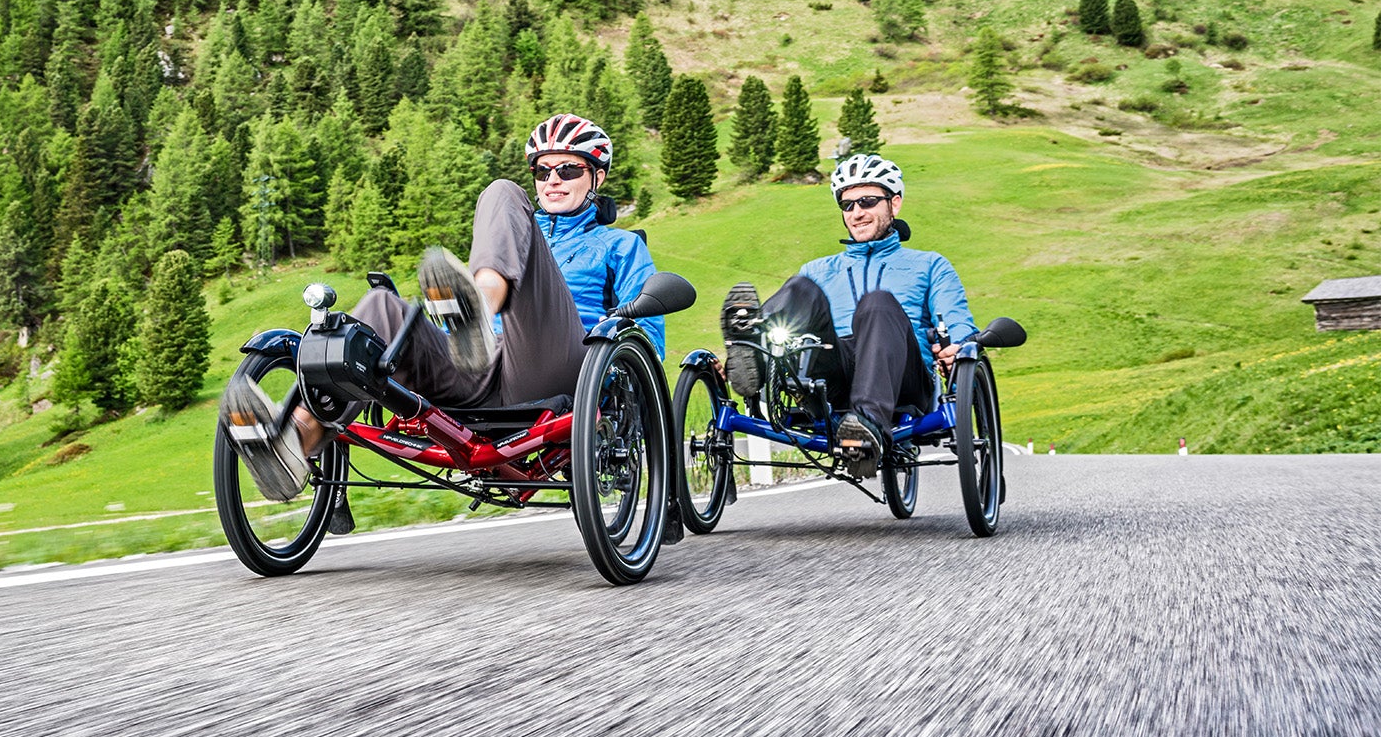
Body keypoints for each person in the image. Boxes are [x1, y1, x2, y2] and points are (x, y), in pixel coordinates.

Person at [222, 113, 663, 504]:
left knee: (502, 192)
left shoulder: (618, 246)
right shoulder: (520, 231)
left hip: (562, 369)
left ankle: (478, 307)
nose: (552, 180)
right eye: (543, 170)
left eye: (568, 168)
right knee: (380, 309)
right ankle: (294, 445)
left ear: (597, 177)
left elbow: (650, 344)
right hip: (480, 370)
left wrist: (614, 340)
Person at [719, 153, 976, 472]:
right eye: (848, 205)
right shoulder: (819, 269)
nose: (857, 213)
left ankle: (866, 425)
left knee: (878, 303)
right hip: (833, 372)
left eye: (867, 201)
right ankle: (750, 346)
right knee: (802, 287)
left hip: (904, 377)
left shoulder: (930, 264)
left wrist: (961, 345)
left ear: (894, 204)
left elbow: (957, 321)